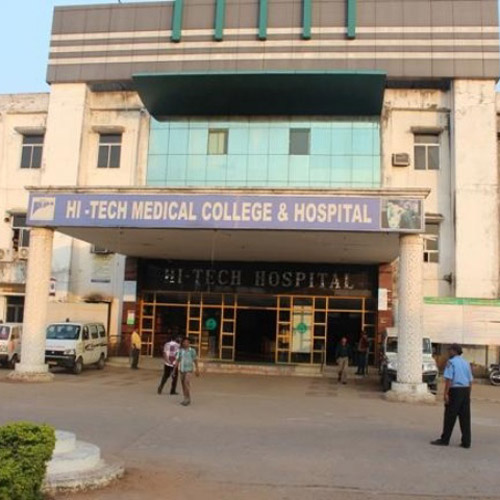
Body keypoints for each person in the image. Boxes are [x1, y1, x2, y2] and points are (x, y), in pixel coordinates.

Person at [431, 343, 473, 448]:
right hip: (465, 390)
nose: (448, 352)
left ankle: (445, 439)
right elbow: (470, 380)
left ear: (454, 351)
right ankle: (466, 442)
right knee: (465, 418)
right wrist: (468, 394)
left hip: (455, 391)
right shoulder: (466, 363)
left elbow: (449, 379)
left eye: (450, 350)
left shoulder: (451, 362)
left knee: (450, 416)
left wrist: (446, 394)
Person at [174, 337, 200, 406]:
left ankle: (187, 399)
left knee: (186, 383)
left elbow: (195, 360)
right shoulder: (180, 351)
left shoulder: (192, 351)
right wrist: (174, 370)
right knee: (183, 385)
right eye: (184, 342)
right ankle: (186, 397)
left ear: (189, 343)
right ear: (182, 343)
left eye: (187, 342)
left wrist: (197, 369)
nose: (186, 343)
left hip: (189, 370)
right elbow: (177, 360)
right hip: (182, 370)